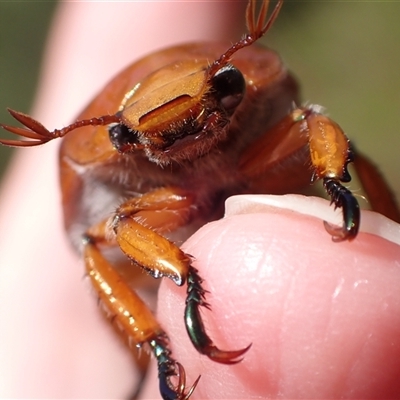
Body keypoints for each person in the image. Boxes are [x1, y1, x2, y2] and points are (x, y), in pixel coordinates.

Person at [1, 2, 400, 399]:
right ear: (121, 142)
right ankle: (153, 345)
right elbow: (99, 234)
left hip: (261, 170)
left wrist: (332, 178)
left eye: (223, 94)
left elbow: (311, 122)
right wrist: (181, 280)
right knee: (114, 232)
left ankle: (346, 192)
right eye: (130, 138)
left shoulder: (263, 92)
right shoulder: (100, 167)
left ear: (233, 86)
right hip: (161, 228)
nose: (188, 138)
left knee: (311, 122)